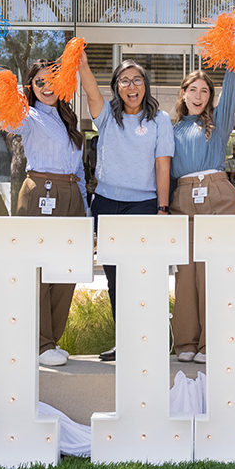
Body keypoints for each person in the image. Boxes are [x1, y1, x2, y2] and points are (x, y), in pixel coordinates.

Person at [78, 54, 174, 362]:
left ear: (145, 85)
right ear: (116, 86)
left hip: (144, 204)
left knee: (144, 275)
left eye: (137, 80)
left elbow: (163, 165)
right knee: (115, 278)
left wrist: (162, 207)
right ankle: (125, 342)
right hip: (107, 204)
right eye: (124, 80)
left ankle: (151, 341)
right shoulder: (106, 116)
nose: (131, 86)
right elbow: (91, 91)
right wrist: (81, 62)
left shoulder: (160, 120)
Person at [11, 58, 91, 367]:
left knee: (66, 269)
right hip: (41, 191)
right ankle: (40, 342)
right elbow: (4, 121)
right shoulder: (28, 115)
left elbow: (79, 171)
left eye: (52, 81)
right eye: (39, 82)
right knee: (39, 269)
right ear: (31, 87)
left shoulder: (67, 118)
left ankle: (51, 340)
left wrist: (85, 209)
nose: (47, 87)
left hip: (71, 194)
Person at [169, 64, 235, 364]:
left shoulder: (219, 120)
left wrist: (234, 48)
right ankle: (186, 342)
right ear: (183, 93)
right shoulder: (170, 129)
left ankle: (212, 342)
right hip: (183, 197)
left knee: (215, 269)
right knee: (185, 270)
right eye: (193, 90)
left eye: (205, 91)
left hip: (218, 195)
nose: (199, 96)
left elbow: (234, 86)